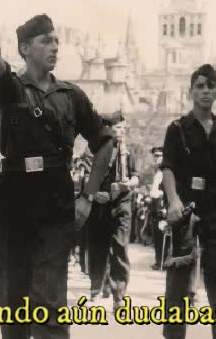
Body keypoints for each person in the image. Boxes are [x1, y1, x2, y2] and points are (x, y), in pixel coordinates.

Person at [0, 0, 114, 339]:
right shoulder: (10, 89)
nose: (55, 46)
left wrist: (88, 197)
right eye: (46, 40)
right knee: (14, 304)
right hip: (13, 200)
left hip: (56, 202)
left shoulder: (72, 96)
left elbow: (106, 142)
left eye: (57, 40)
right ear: (25, 48)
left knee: (50, 302)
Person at [159, 64, 216, 339]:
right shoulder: (177, 128)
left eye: (211, 86)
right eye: (200, 86)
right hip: (186, 213)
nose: (206, 91)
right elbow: (167, 168)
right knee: (179, 282)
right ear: (191, 91)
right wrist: (173, 201)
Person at [87, 111, 138, 310]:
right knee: (98, 247)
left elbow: (136, 177)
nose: (122, 132)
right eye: (118, 128)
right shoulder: (95, 150)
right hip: (100, 204)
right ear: (107, 129)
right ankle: (96, 288)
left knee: (120, 247)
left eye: (124, 128)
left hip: (122, 204)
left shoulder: (129, 152)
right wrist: (94, 192)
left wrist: (127, 184)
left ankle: (119, 295)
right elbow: (83, 176)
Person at [149, 146, 170, 270]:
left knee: (162, 235)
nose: (156, 158)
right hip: (155, 206)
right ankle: (159, 261)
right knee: (156, 235)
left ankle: (163, 262)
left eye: (159, 155)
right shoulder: (157, 170)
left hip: (162, 206)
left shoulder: (165, 171)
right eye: (155, 155)